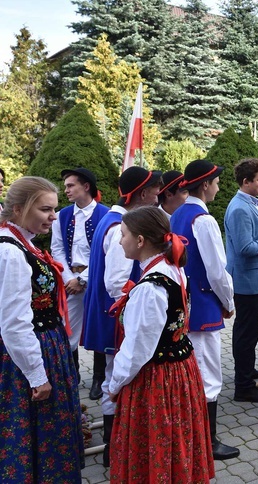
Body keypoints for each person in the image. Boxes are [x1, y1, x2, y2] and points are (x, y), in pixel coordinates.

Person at [109, 206, 214, 482]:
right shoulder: (174, 269)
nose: (120, 241)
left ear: (140, 240)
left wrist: (115, 384)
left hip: (157, 378)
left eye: (124, 235)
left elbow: (137, 350)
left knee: (156, 440)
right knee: (176, 437)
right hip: (181, 371)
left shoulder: (150, 287)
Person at [0, 177, 84, 481]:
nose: (53, 216)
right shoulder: (10, 252)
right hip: (31, 352)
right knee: (34, 430)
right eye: (45, 209)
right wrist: (37, 375)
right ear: (20, 209)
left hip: (45, 345)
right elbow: (14, 323)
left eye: (55, 209)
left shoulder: (22, 241)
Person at [83, 166, 161, 467]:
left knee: (114, 376)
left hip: (111, 315)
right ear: (142, 193)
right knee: (114, 379)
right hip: (116, 317)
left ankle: (114, 447)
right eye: (155, 190)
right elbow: (116, 282)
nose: (158, 196)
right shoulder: (119, 226)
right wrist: (135, 312)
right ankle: (112, 451)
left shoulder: (111, 219)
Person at [171, 159, 240, 459]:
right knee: (209, 374)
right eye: (216, 182)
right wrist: (229, 302)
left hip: (183, 302)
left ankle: (190, 436)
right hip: (204, 303)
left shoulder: (175, 215)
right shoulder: (204, 220)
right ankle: (207, 442)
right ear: (205, 185)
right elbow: (217, 271)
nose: (218, 186)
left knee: (190, 369)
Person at [224, 158, 258, 404]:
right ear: (246, 182)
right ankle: (244, 385)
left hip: (252, 278)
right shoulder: (240, 208)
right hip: (247, 280)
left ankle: (247, 369)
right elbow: (246, 247)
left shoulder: (249, 203)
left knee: (249, 329)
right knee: (246, 331)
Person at [50, 168, 109, 380]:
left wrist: (83, 280)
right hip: (70, 280)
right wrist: (69, 279)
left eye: (70, 185)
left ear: (86, 187)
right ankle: (71, 376)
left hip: (97, 281)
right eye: (65, 186)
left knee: (100, 326)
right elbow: (57, 250)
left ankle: (99, 378)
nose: (66, 190)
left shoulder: (106, 214)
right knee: (66, 331)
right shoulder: (61, 216)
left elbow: (106, 253)